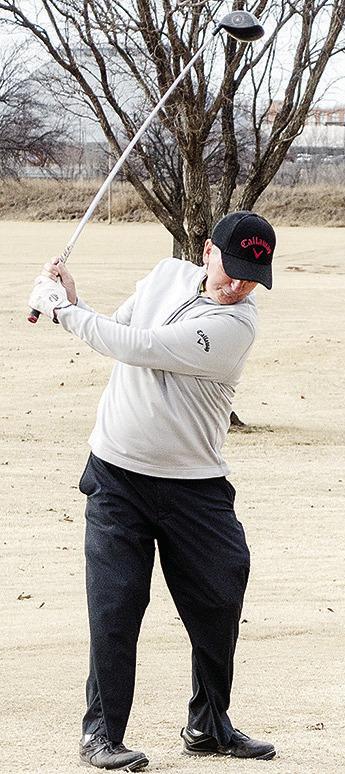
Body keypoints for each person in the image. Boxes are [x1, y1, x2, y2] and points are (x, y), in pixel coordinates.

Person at [29, 211, 277, 771]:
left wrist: (66, 311)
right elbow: (118, 327)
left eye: (252, 277)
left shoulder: (238, 327)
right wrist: (69, 295)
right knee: (116, 606)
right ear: (208, 252)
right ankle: (102, 736)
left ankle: (208, 726)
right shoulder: (165, 273)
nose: (238, 286)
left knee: (219, 600)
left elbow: (141, 346)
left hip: (196, 487)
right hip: (117, 474)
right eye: (232, 270)